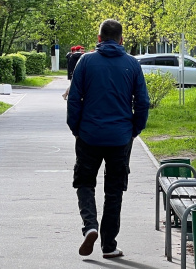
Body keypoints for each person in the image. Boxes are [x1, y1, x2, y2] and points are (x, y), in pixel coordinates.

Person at [66, 19, 150, 259]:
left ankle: (90, 226)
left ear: (99, 38)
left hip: (89, 136)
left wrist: (76, 128)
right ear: (121, 39)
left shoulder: (86, 62)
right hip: (119, 138)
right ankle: (109, 245)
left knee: (84, 182)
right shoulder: (132, 64)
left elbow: (74, 99)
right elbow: (142, 103)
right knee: (114, 191)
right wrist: (134, 130)